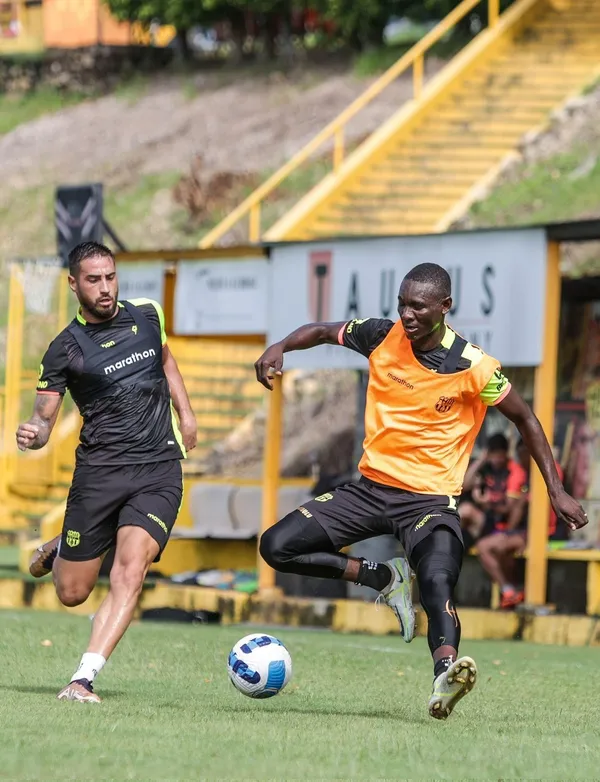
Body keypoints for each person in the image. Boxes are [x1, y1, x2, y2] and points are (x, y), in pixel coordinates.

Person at [254, 262, 587, 720]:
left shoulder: (474, 365)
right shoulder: (379, 335)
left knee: (436, 579)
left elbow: (526, 420)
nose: (406, 315)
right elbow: (321, 330)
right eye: (402, 304)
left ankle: (445, 674)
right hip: (370, 490)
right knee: (276, 546)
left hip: (430, 502)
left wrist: (557, 490)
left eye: (418, 306)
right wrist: (281, 345)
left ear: (444, 307)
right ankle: (380, 577)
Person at [16, 241, 197, 703]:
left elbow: (165, 360)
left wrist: (187, 412)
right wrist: (34, 434)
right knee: (72, 592)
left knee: (130, 572)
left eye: (110, 277)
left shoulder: (147, 315)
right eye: (93, 280)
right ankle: (61, 547)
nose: (105, 288)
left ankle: (83, 678)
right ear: (73, 284)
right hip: (100, 476)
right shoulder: (64, 349)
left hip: (159, 468)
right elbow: (44, 416)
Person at [477, 440, 565, 609]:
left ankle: (517, 589)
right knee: (484, 546)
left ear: (528, 453)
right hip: (523, 530)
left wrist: (510, 531)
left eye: (521, 455)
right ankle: (510, 591)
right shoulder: (525, 474)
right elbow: (516, 505)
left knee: (499, 548)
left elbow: (528, 505)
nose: (519, 459)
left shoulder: (550, 470)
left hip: (545, 531)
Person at [459, 432, 511, 549]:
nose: (498, 460)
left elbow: (509, 506)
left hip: (494, 520)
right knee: (464, 513)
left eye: (500, 456)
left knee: (466, 510)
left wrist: (488, 504)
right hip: (480, 520)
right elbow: (464, 485)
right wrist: (480, 460)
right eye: (494, 456)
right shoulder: (485, 469)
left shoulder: (509, 471)